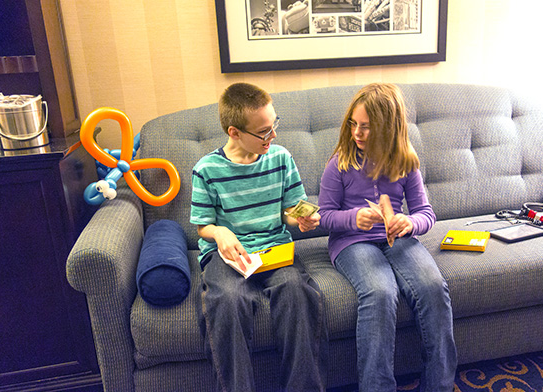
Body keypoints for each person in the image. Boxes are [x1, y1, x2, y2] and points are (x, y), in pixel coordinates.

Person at [318, 83, 457, 392]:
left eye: (366, 127)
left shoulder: (405, 162)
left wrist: (409, 223)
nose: (356, 132)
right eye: (353, 124)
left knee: (433, 287)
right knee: (380, 292)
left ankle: (439, 386)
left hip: (398, 240)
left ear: (387, 128)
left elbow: (426, 213)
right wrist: (354, 218)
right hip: (351, 242)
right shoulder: (340, 163)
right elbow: (324, 216)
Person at [191, 82, 328, 392]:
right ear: (234, 132)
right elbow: (203, 226)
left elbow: (289, 210)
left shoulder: (280, 158)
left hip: (273, 248)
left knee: (297, 291)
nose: (274, 135)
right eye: (264, 131)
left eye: (274, 124)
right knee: (227, 299)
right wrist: (220, 232)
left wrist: (301, 219)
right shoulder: (206, 169)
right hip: (227, 255)